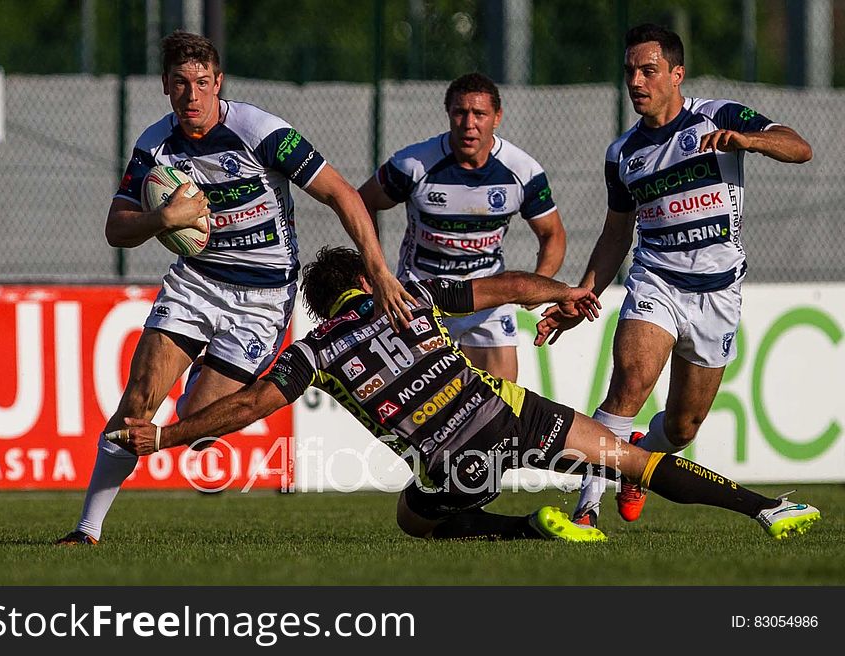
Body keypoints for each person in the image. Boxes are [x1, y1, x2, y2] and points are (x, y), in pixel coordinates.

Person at [109, 246, 820, 543]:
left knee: (412, 518)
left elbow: (252, 403)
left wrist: (166, 438)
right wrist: (568, 293)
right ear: (367, 279)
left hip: (457, 457)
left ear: (324, 306)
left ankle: (523, 530)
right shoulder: (410, 296)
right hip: (509, 411)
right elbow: (508, 287)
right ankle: (767, 507)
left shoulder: (317, 348)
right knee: (632, 460)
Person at [56, 31, 414, 545]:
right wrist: (164, 217)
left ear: (218, 83)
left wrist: (379, 273)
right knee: (138, 400)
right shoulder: (154, 146)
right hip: (196, 283)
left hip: (264, 299)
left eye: (203, 83)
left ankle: (200, 380)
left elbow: (341, 193)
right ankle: (86, 530)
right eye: (181, 84)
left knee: (197, 429)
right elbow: (117, 228)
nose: (192, 95)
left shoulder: (259, 130)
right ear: (165, 87)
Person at [535, 23, 813, 528]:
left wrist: (749, 140)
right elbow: (616, 234)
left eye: (649, 70)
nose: (636, 81)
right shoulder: (622, 154)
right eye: (629, 72)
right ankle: (586, 511)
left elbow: (799, 147)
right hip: (655, 282)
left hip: (719, 293)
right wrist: (583, 293)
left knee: (684, 427)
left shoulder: (719, 115)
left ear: (677, 74)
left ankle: (639, 461)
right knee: (630, 384)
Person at [358, 72, 566, 382]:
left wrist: (540, 282)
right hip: (422, 294)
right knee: (421, 412)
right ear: (449, 114)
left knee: (500, 406)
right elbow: (362, 203)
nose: (469, 123)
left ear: (497, 117)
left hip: (487, 296)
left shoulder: (522, 170)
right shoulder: (413, 164)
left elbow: (553, 234)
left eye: (479, 113)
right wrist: (378, 273)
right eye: (460, 112)